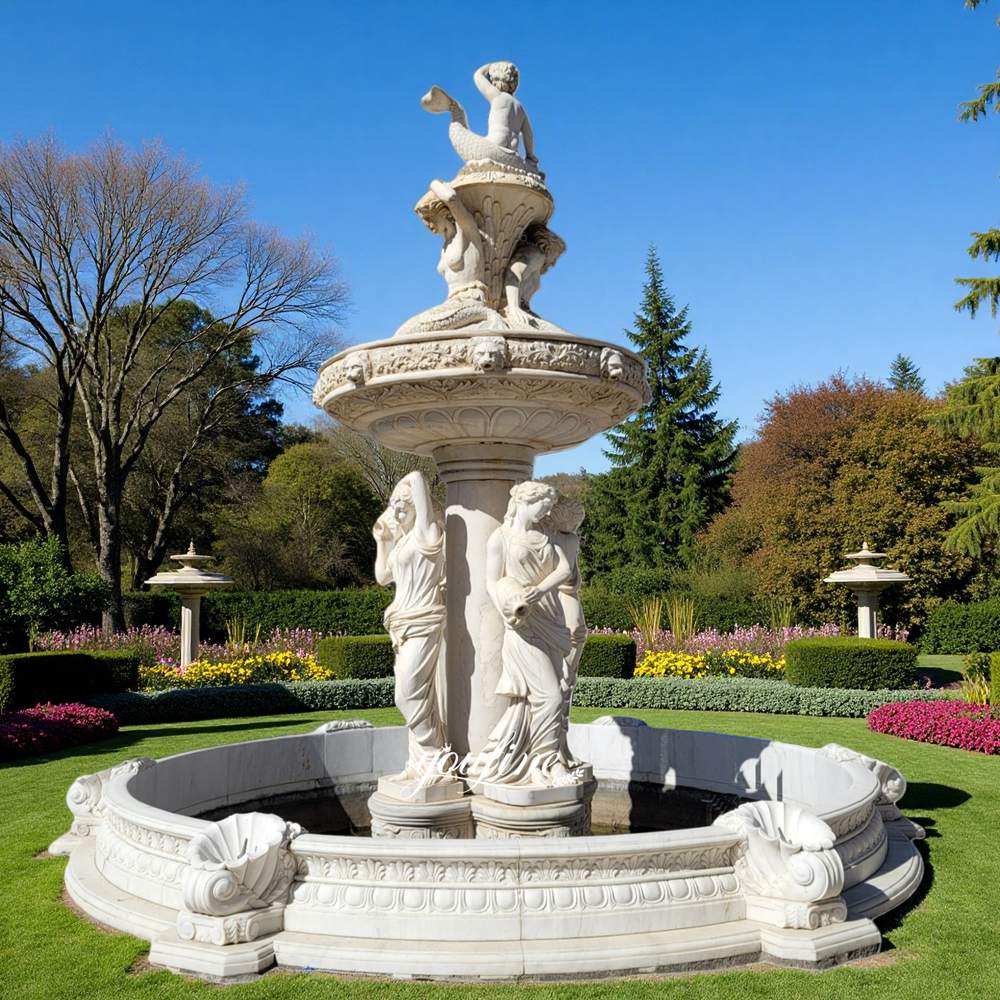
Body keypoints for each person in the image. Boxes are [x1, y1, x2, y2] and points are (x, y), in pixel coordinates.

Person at [472, 481, 579, 786]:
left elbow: (564, 570)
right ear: (524, 501)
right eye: (543, 507)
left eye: (549, 508)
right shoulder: (500, 538)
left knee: (553, 692)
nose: (546, 513)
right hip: (523, 626)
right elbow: (492, 582)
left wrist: (540, 590)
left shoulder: (546, 536)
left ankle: (532, 754)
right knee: (550, 696)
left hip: (551, 619)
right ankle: (548, 763)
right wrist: (508, 609)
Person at [373, 471, 447, 780]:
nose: (396, 512)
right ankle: (419, 764)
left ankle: (435, 758)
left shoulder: (427, 533)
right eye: (393, 507)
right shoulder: (403, 543)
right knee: (418, 695)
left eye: (402, 506)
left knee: (407, 694)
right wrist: (383, 541)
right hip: (401, 623)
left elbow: (417, 477)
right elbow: (383, 577)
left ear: (419, 505)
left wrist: (401, 490)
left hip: (424, 620)